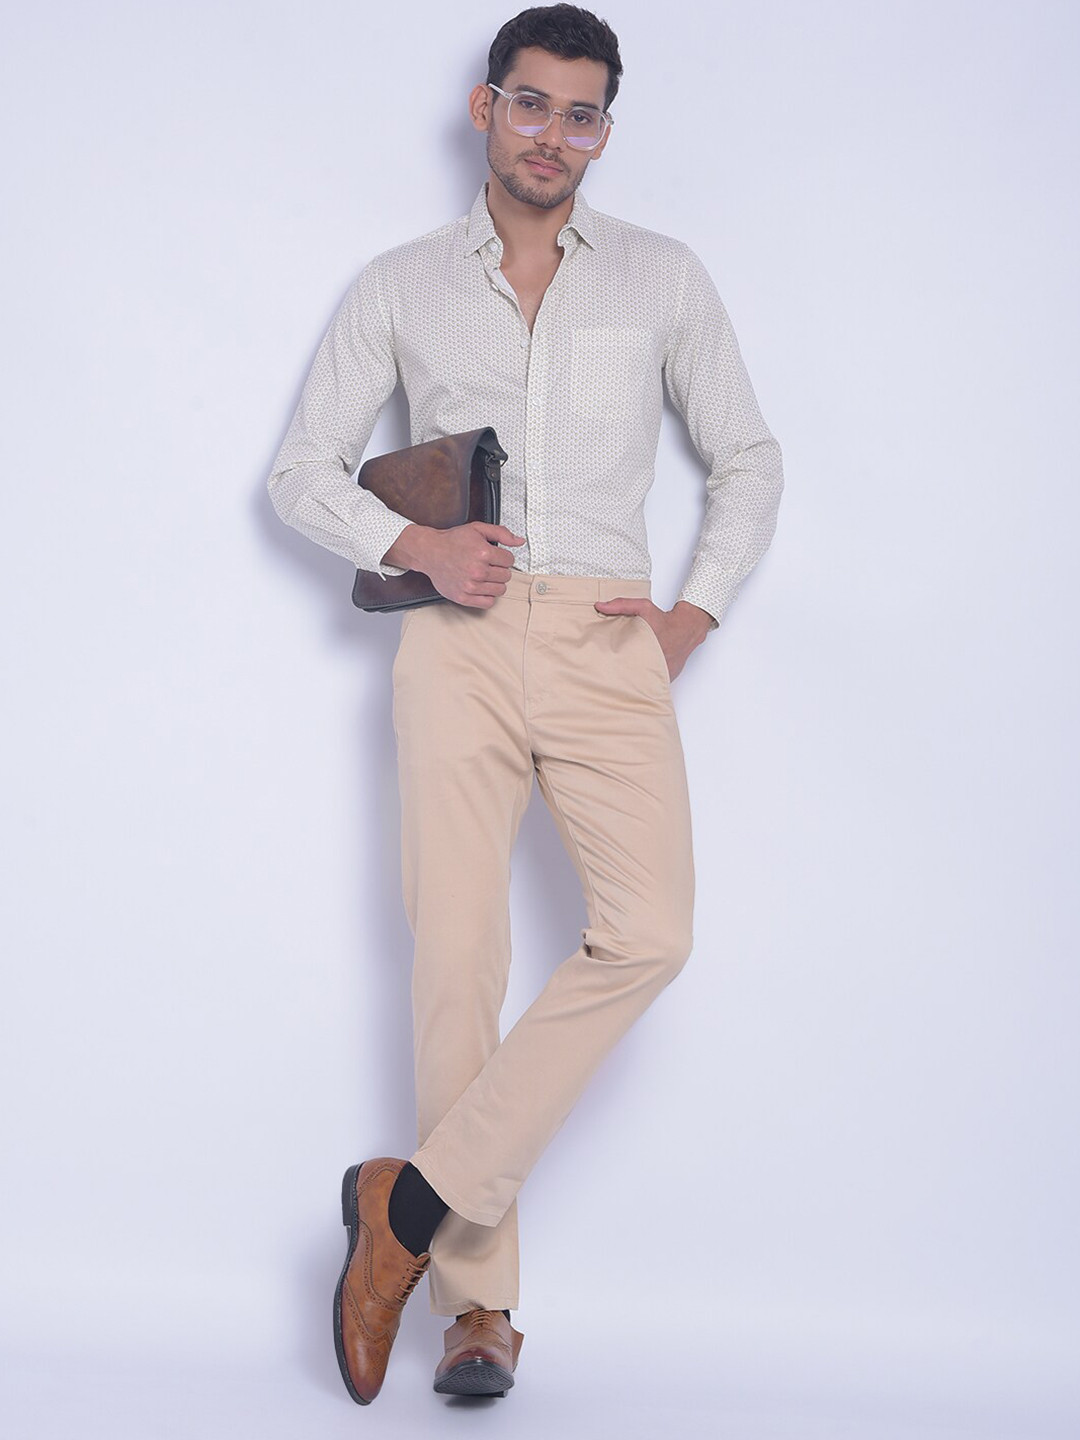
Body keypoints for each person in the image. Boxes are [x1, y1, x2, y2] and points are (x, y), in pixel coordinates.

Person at [266, 3, 784, 1405]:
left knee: (651, 933)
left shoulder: (664, 277)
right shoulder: (399, 285)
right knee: (457, 962)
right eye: (532, 103)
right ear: (485, 109)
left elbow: (748, 458)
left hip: (612, 642)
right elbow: (301, 470)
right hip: (459, 642)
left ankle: (408, 1209)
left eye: (581, 112)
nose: (553, 133)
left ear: (604, 132)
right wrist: (419, 547)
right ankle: (477, 1312)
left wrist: (690, 616)